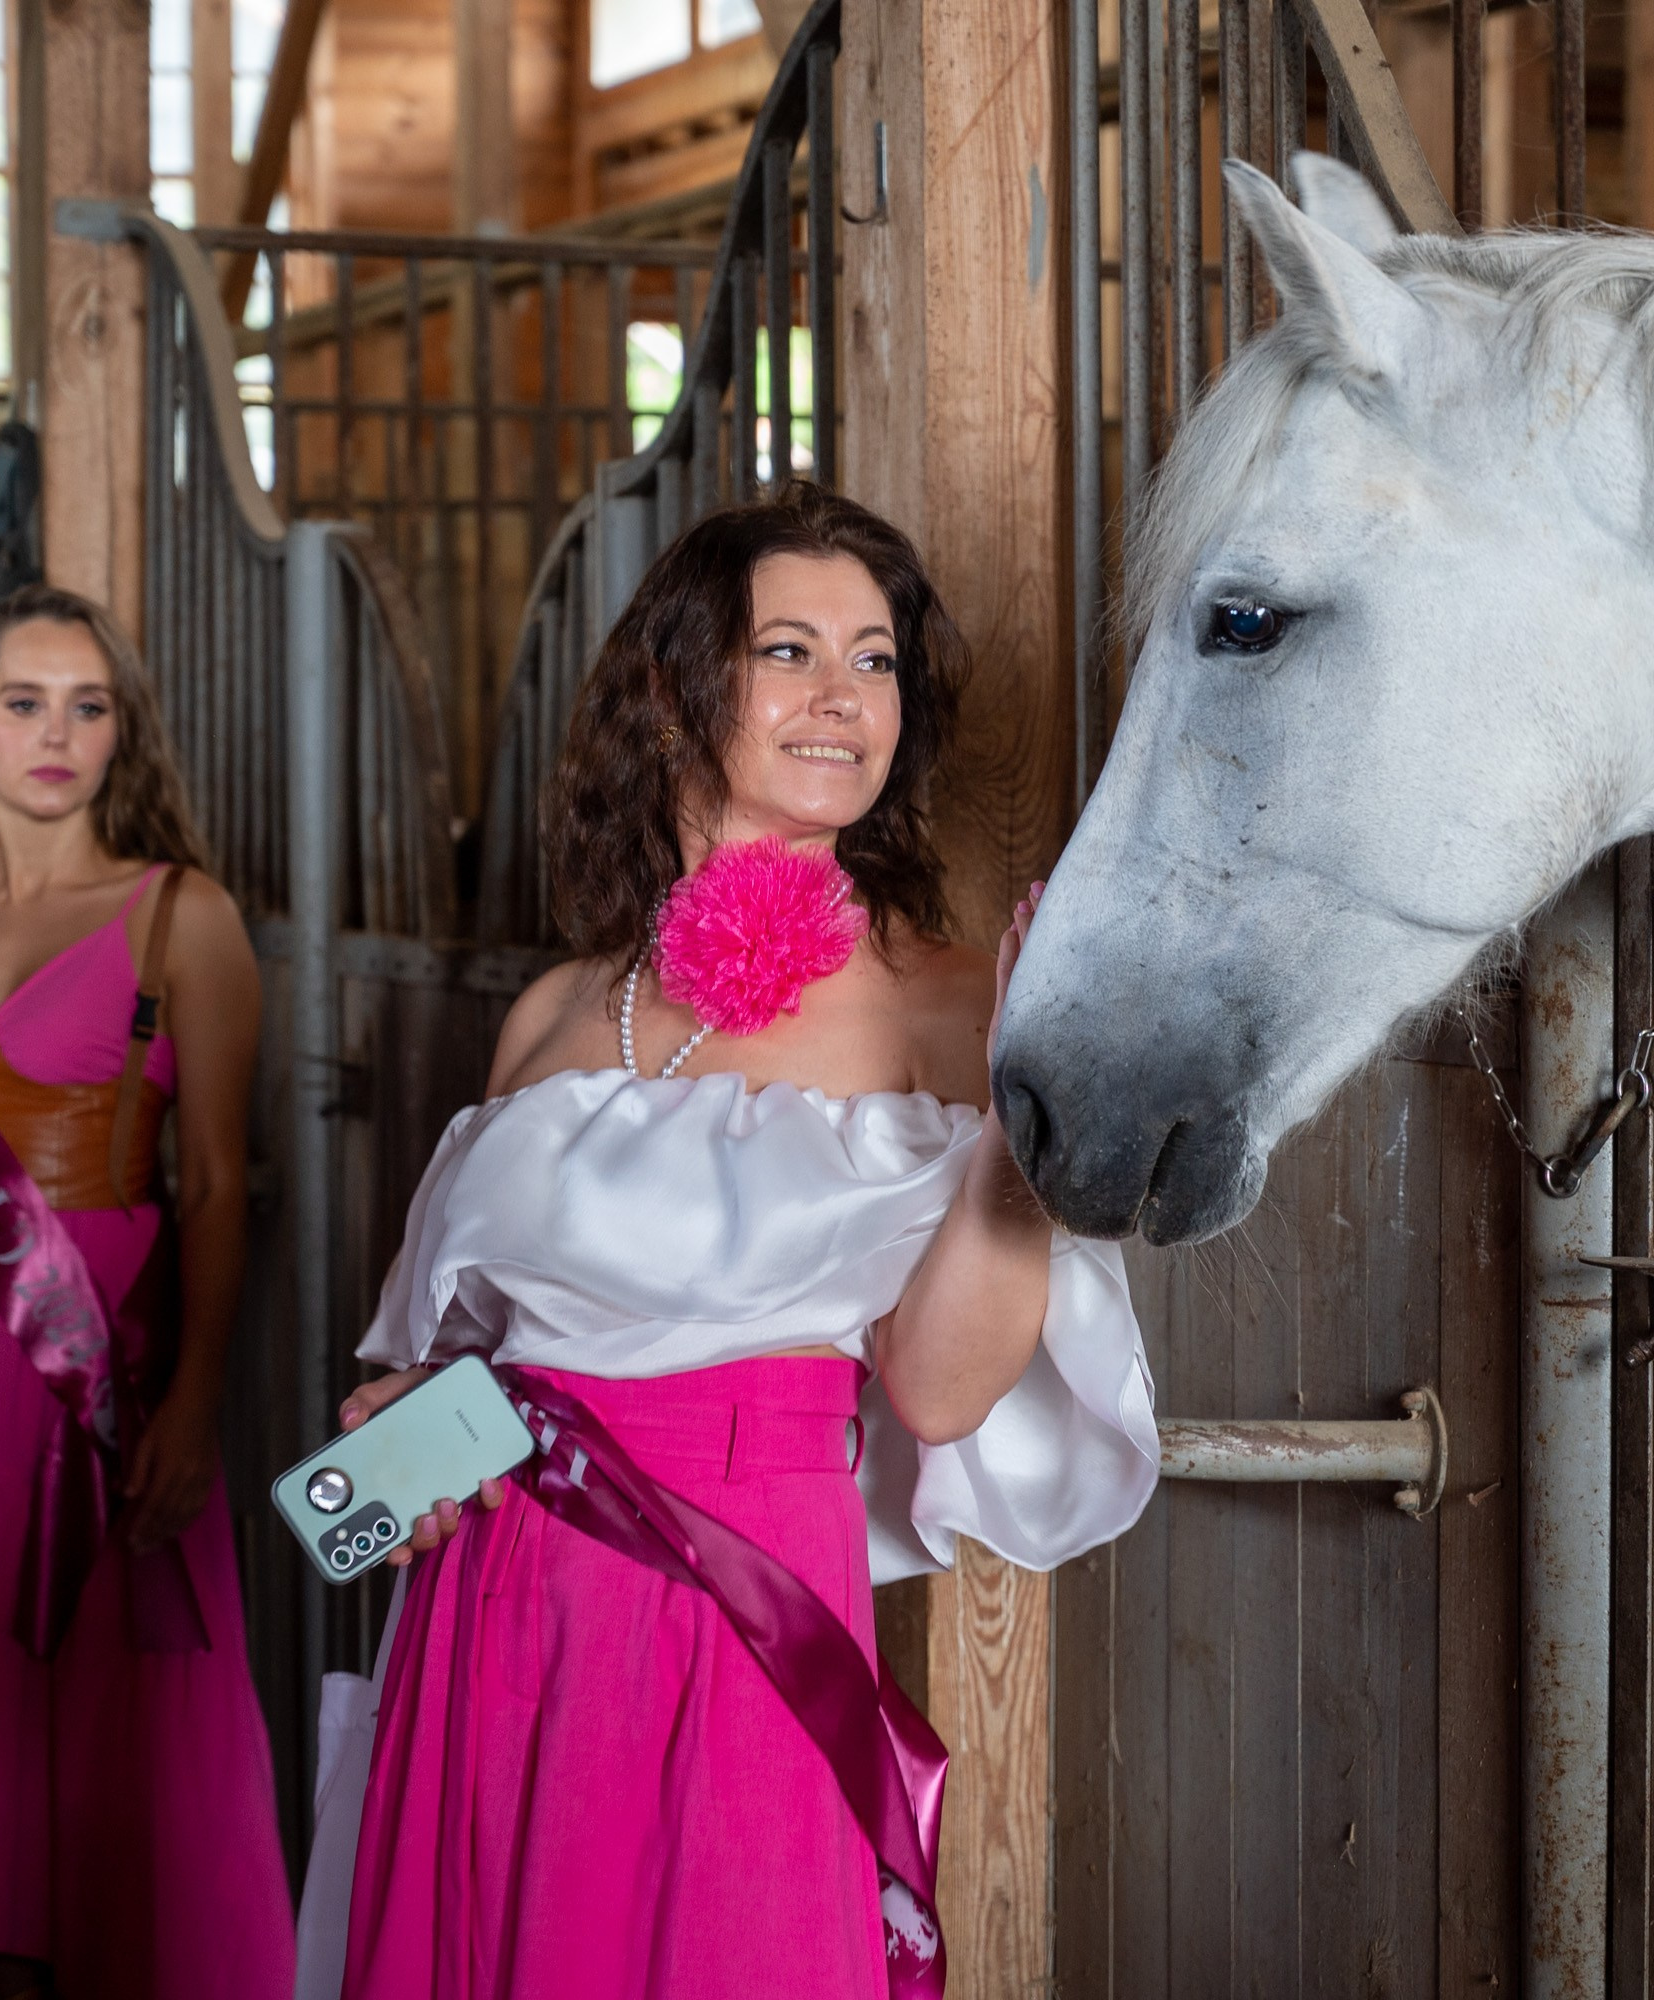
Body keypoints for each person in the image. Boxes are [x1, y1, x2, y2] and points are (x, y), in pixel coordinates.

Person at [328, 484, 1156, 2000]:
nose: (845, 697)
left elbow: (938, 1393)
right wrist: (395, 1446)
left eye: (878, 659)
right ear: (678, 687)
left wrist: (1032, 1134)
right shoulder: (556, 1011)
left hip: (741, 1600)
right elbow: (473, 1356)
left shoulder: (951, 1002)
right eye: (791, 649)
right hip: (493, 1611)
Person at [0, 586, 294, 1999]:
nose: (56, 732)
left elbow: (223, 1186)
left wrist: (190, 1401)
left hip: (79, 1360)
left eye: (90, 704)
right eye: (25, 700)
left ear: (123, 733)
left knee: (90, 1670)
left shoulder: (185, 917)